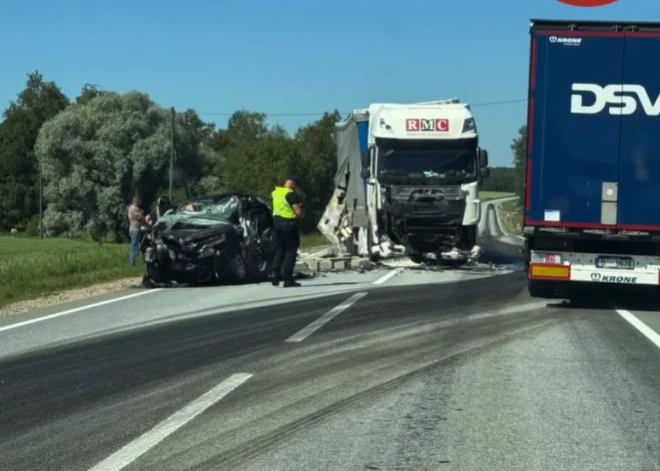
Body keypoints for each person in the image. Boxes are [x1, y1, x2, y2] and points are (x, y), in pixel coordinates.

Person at [270, 176, 305, 287]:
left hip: (276, 224)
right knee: (291, 251)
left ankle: (274, 275)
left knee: (280, 250)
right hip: (289, 225)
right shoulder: (291, 194)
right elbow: (298, 212)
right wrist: (302, 215)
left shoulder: (276, 192)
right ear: (294, 184)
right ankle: (288, 279)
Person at [128, 194, 146, 266]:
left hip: (133, 228)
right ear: (137, 201)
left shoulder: (132, 208)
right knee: (134, 246)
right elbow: (140, 217)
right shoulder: (134, 208)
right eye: (140, 200)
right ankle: (132, 263)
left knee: (138, 245)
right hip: (135, 229)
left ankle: (137, 261)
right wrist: (142, 215)